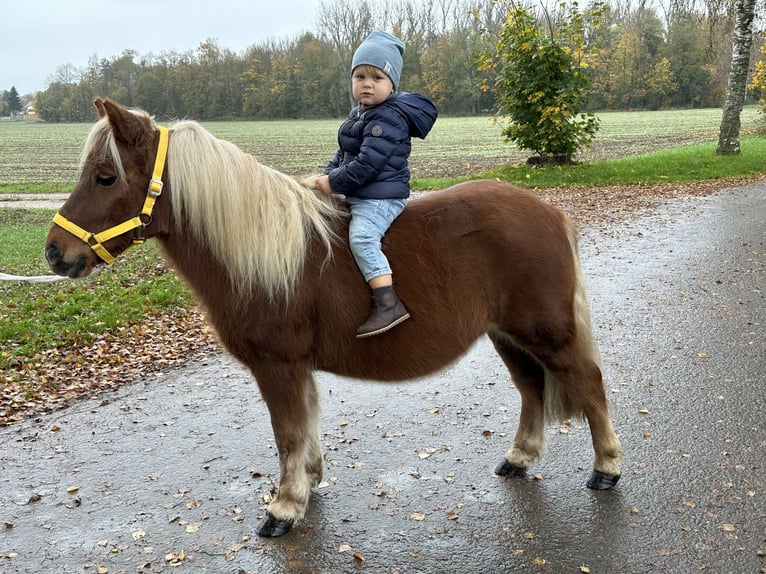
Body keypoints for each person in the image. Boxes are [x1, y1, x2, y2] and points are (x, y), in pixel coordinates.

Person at [312, 30, 438, 338]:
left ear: (392, 84)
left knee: (362, 238)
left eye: (377, 77)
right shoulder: (360, 116)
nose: (367, 83)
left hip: (380, 198)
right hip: (362, 193)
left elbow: (367, 166)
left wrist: (332, 183)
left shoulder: (388, 118)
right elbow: (343, 155)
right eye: (360, 76)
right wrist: (322, 180)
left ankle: (388, 302)